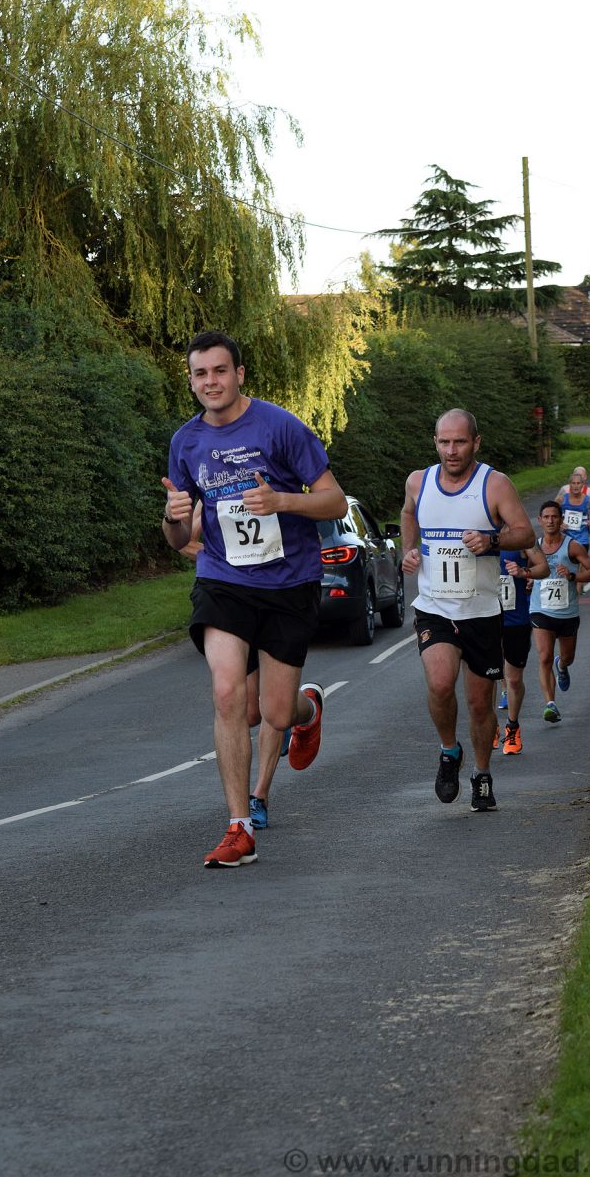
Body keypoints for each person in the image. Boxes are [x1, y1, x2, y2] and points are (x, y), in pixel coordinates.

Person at [162, 330, 347, 868]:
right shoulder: (186, 442)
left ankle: (306, 711)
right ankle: (239, 826)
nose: (210, 382)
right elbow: (178, 540)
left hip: (289, 583)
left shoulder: (280, 426)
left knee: (275, 711)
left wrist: (281, 500)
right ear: (192, 381)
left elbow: (333, 501)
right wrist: (174, 522)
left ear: (239, 374)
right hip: (223, 580)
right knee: (228, 697)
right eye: (200, 374)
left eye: (220, 371)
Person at [401, 409, 536, 812]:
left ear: (476, 442)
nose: (451, 450)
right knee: (441, 683)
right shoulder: (418, 481)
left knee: (480, 704)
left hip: (480, 610)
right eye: (444, 442)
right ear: (435, 442)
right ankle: (449, 751)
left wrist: (492, 540)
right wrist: (409, 549)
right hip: (434, 607)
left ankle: (481, 773)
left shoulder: (494, 484)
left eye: (460, 442)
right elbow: (409, 512)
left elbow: (526, 532)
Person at [179, 503, 289, 830]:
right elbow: (183, 539)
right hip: (231, 600)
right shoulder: (215, 486)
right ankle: (293, 705)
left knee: (272, 711)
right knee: (250, 712)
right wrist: (221, 559)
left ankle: (259, 796)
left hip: (277, 597)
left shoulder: (280, 476)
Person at [529, 501, 590, 724]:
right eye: (546, 517)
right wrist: (527, 578)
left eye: (554, 517)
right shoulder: (533, 547)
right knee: (544, 656)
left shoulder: (572, 546)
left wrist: (572, 576)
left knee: (567, 657)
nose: (550, 521)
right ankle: (550, 704)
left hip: (567, 612)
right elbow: (522, 570)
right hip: (540, 610)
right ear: (539, 520)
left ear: (561, 520)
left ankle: (562, 665)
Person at [497, 544, 550, 754]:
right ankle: (490, 725)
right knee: (486, 675)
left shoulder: (519, 537)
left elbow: (543, 567)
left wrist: (524, 572)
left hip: (515, 618)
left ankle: (512, 726)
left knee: (514, 679)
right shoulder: (476, 530)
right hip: (484, 616)